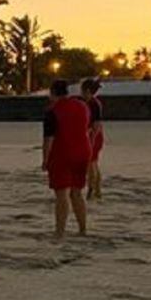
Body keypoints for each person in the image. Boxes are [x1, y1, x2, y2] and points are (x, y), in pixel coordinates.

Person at [42, 79, 92, 240]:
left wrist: (45, 160)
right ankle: (82, 228)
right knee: (77, 192)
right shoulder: (82, 106)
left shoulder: (52, 111)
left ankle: (60, 232)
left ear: (52, 93)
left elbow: (48, 139)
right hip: (83, 152)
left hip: (62, 153)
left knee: (61, 194)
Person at [81, 77, 105, 200]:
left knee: (91, 164)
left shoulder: (94, 104)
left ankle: (92, 190)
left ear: (88, 91)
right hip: (93, 135)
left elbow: (96, 124)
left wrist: (91, 139)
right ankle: (97, 191)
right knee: (94, 163)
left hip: (93, 136)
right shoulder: (92, 103)